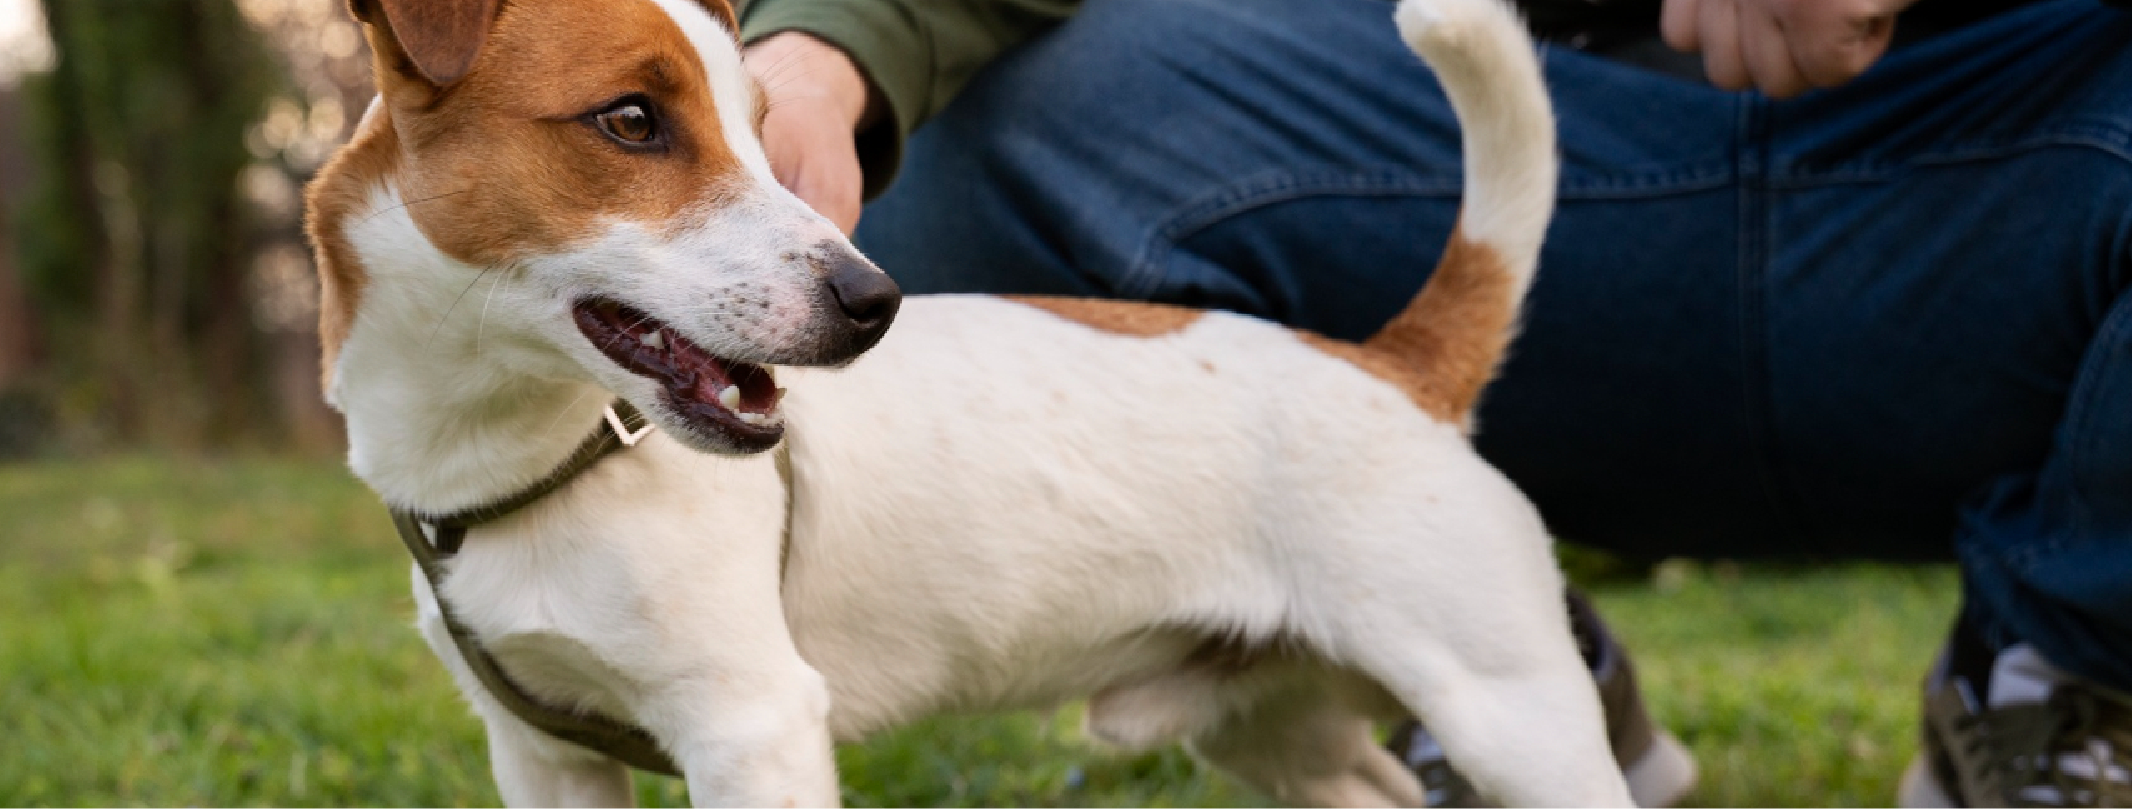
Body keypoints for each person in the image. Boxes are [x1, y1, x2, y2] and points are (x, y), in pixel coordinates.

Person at [731, 0, 2132, 803]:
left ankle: (2062, 674)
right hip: (1450, 124)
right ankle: (1422, 624)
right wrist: (838, 43)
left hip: (2028, 163)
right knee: (952, 145)